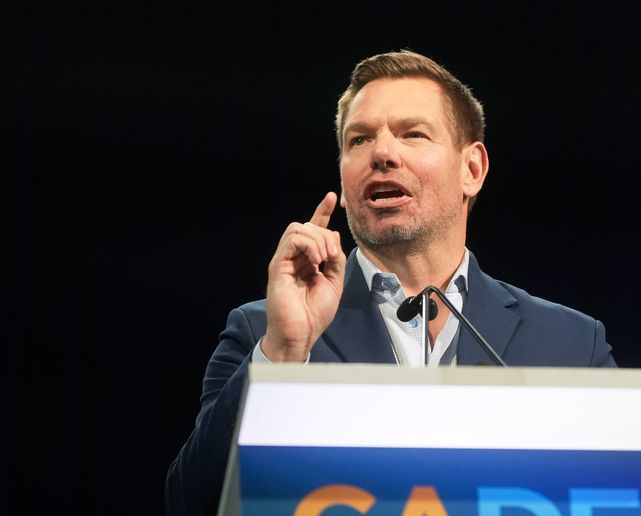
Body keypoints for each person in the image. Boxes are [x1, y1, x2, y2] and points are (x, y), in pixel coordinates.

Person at [165, 49, 617, 516]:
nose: (381, 153)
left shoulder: (571, 345)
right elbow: (191, 504)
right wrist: (284, 354)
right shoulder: (265, 334)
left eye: (412, 134)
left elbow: (624, 492)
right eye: (359, 140)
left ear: (472, 169)